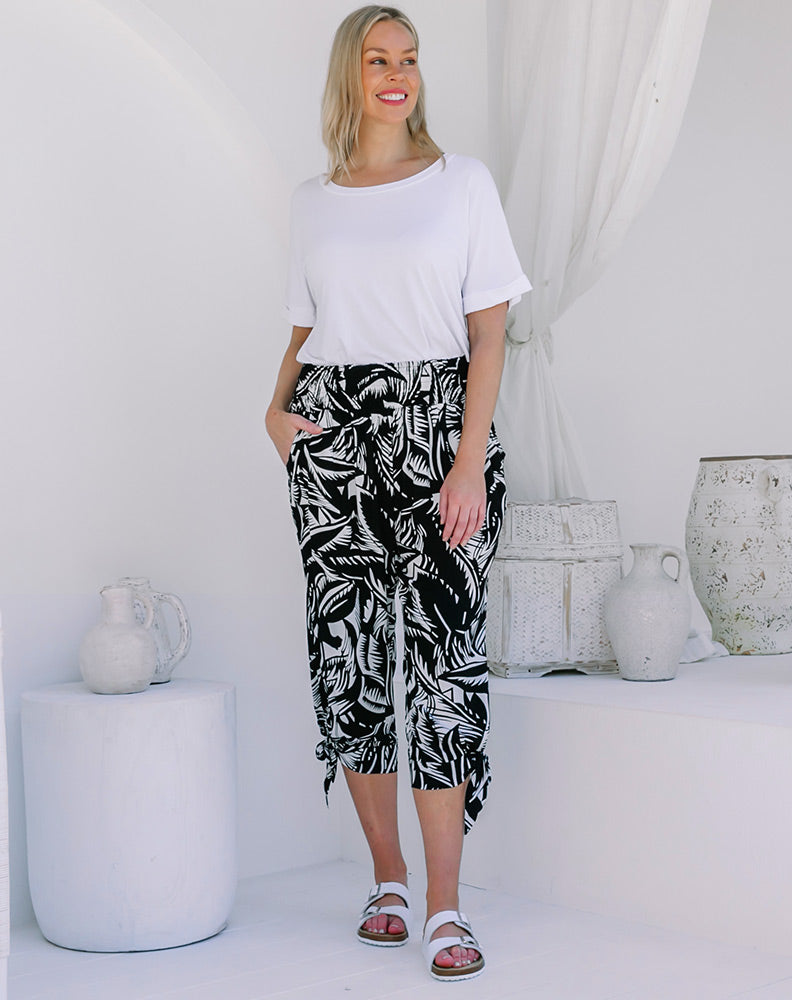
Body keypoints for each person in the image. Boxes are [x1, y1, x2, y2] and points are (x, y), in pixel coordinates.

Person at [266, 4, 531, 983]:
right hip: (334, 436)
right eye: (378, 59)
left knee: (444, 667)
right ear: (351, 73)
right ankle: (387, 878)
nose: (396, 75)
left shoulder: (463, 184)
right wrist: (274, 410)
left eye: (409, 59)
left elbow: (491, 333)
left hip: (439, 427)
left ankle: (445, 906)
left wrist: (467, 461)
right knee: (351, 666)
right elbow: (307, 327)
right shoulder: (313, 201)